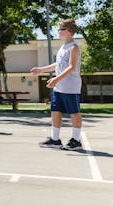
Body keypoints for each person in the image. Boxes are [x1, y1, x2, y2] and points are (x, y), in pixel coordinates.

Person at [30, 19, 83, 151]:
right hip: (60, 87)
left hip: (70, 87)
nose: (58, 32)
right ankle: (55, 139)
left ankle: (76, 141)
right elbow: (58, 65)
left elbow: (71, 67)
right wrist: (41, 70)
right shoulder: (62, 47)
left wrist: (55, 80)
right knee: (55, 111)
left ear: (69, 31)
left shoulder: (73, 47)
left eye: (61, 29)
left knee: (74, 113)